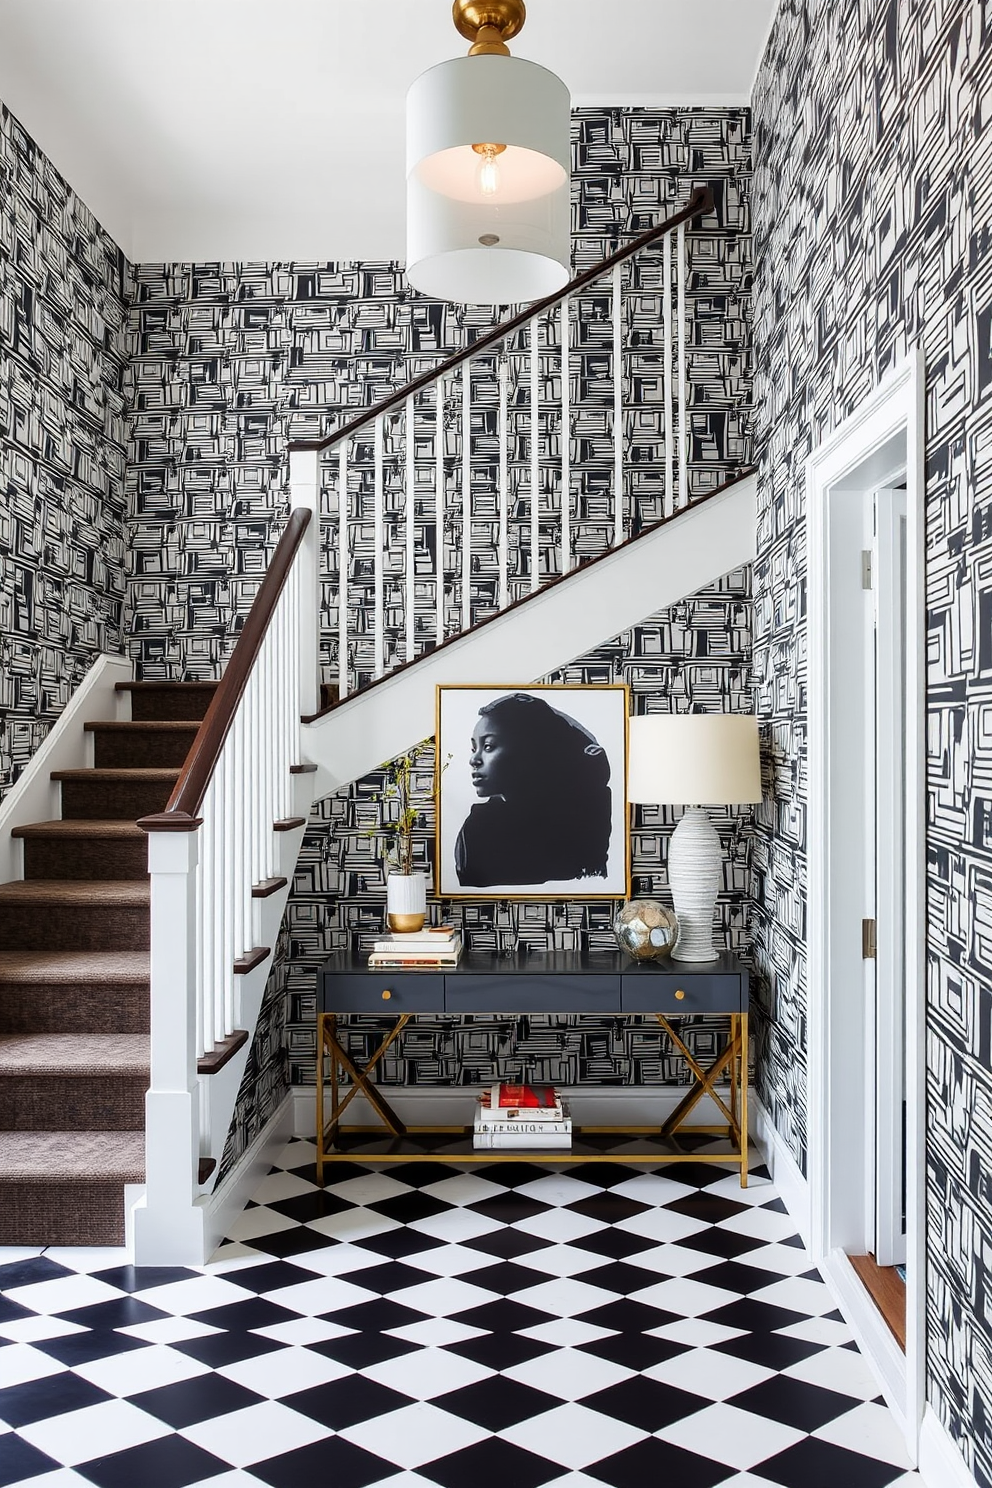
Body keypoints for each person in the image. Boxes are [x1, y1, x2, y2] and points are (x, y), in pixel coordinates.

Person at [454, 692, 613, 888]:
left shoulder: (581, 819)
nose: (474, 760)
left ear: (530, 751)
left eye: (488, 746)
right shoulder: (479, 827)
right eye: (474, 749)